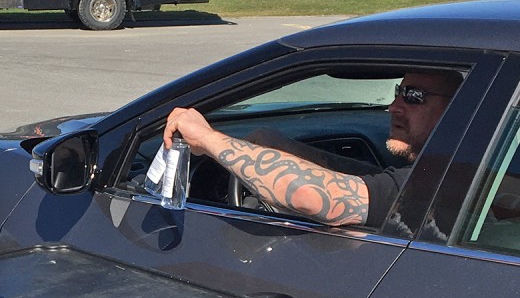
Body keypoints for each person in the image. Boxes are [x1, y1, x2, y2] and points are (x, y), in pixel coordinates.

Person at [163, 71, 463, 227]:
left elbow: (312, 197)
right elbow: (377, 182)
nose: (393, 106)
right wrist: (281, 146)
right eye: (399, 92)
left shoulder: (441, 182)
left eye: (413, 96)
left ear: (454, 109)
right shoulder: (474, 167)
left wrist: (207, 139)